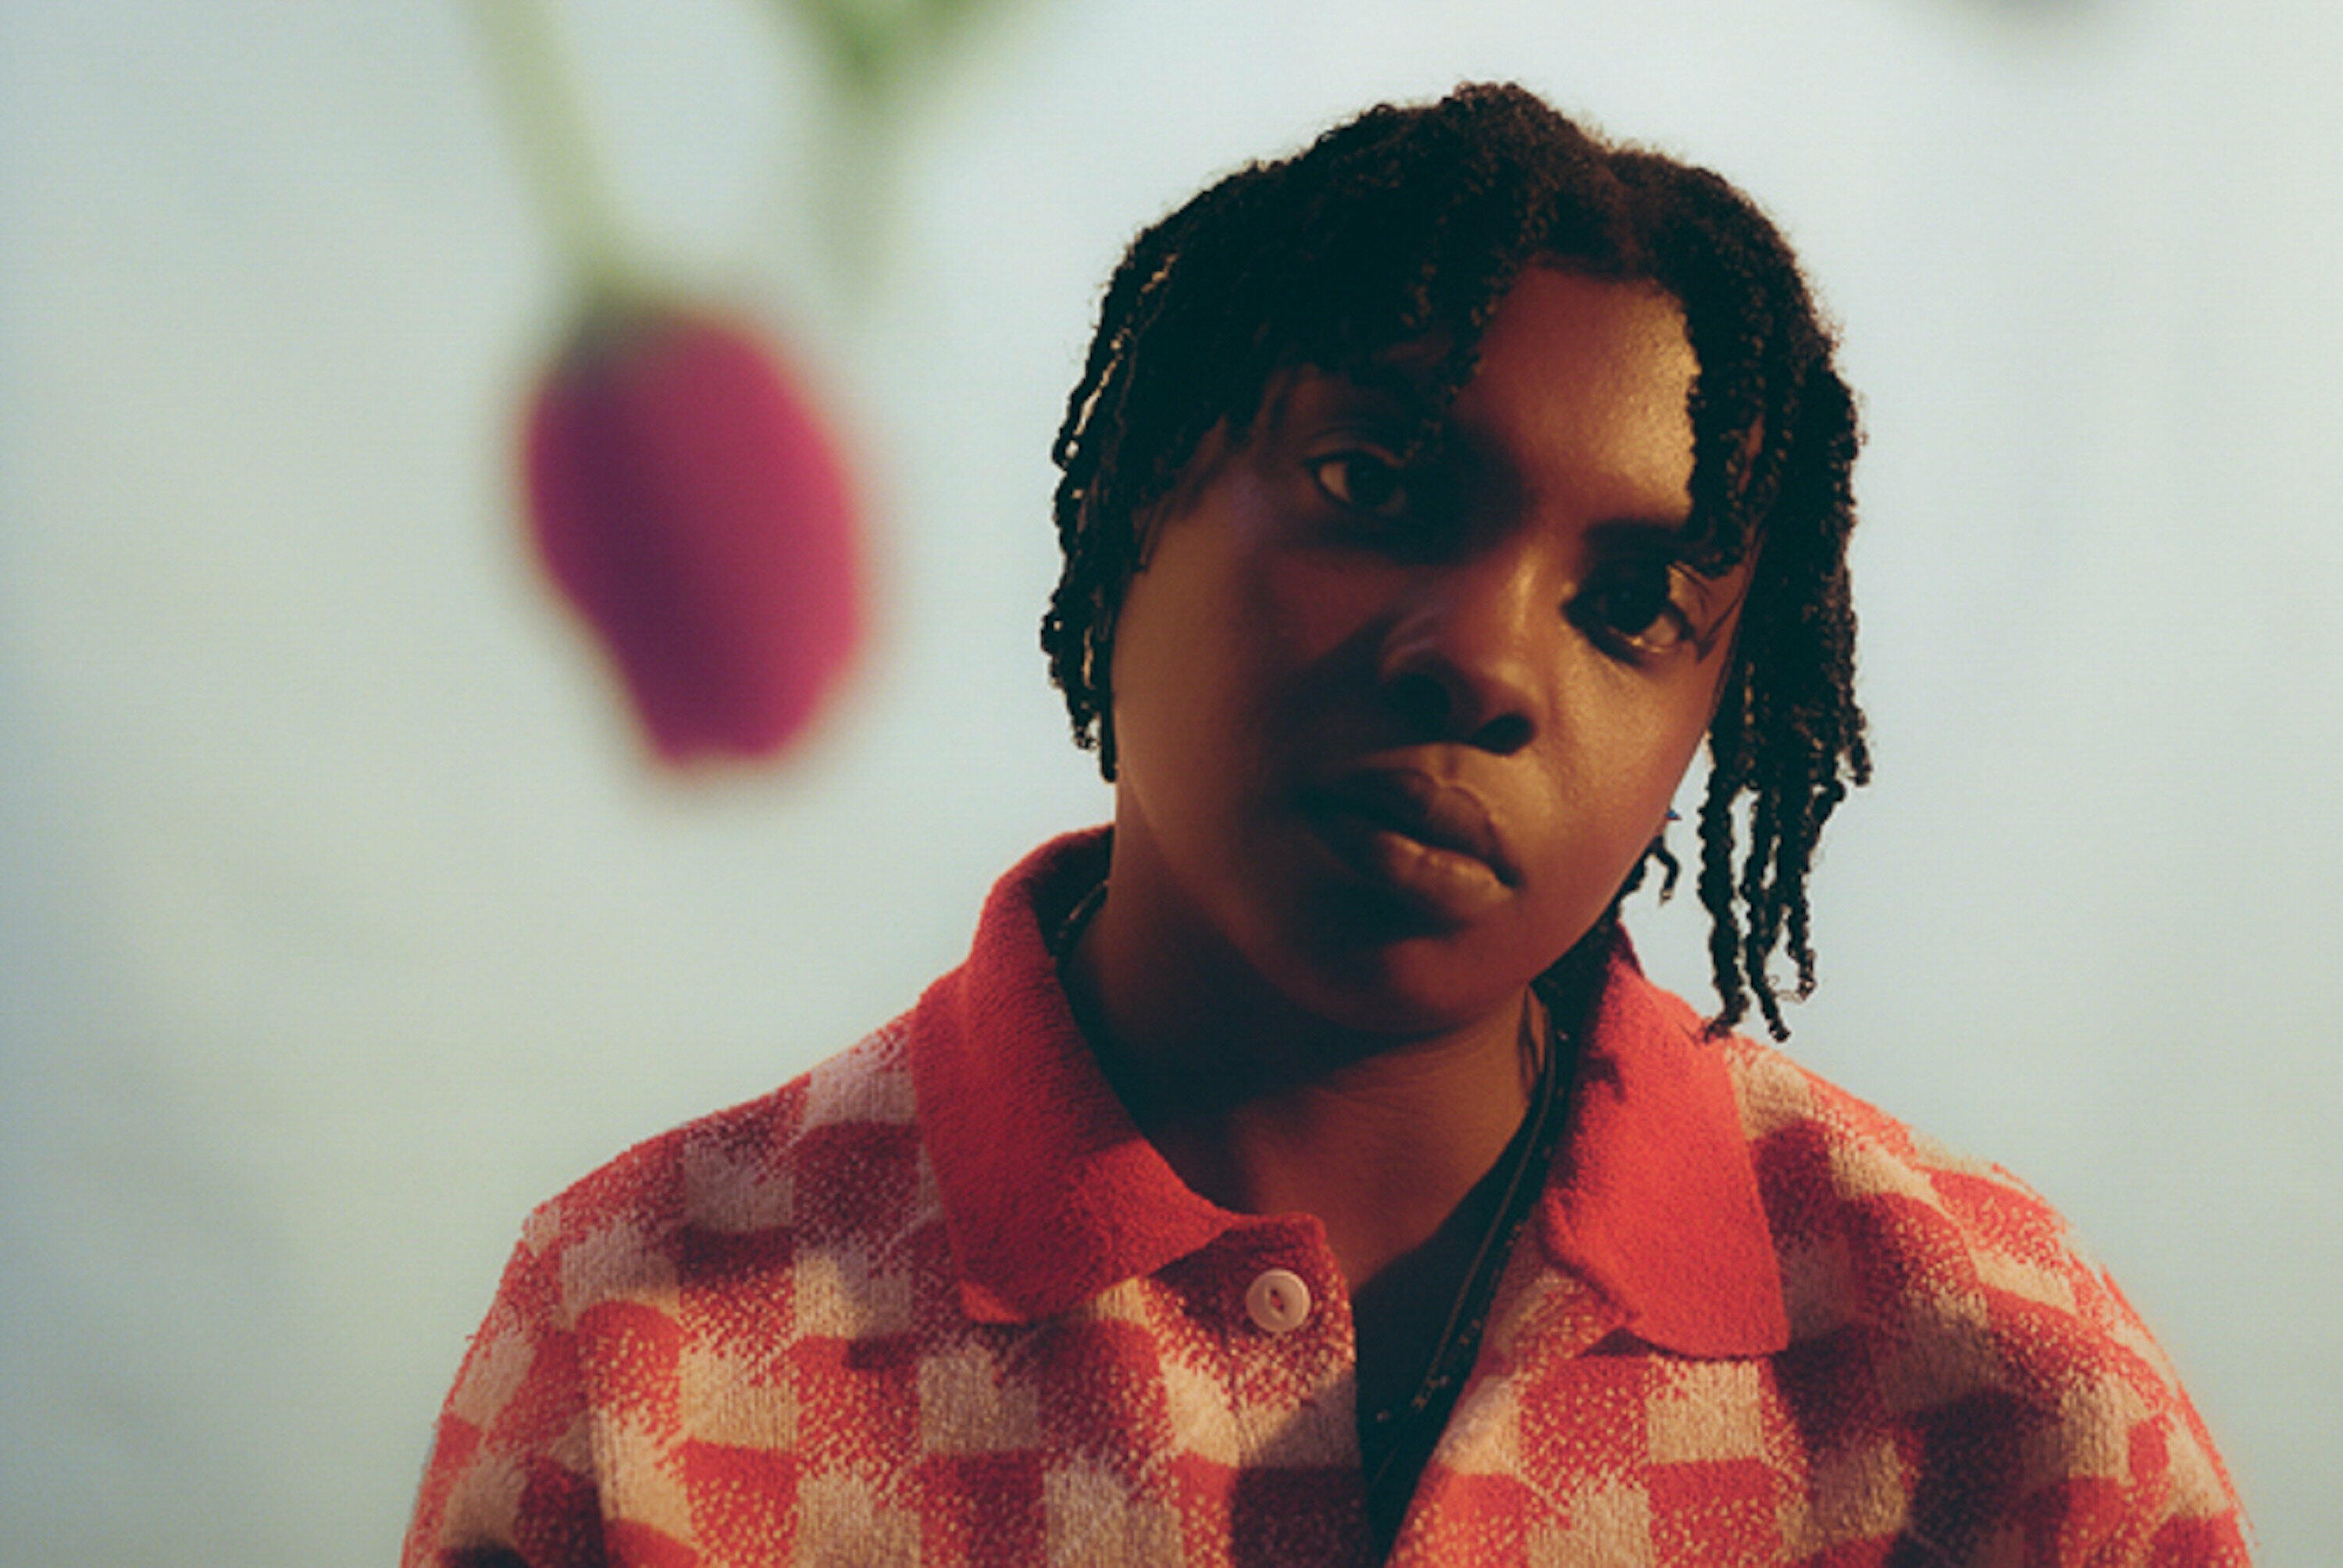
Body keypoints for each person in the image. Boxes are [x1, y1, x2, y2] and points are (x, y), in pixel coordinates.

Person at [404, 85, 2250, 1566]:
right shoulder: (645, 1349)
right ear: (1135, 503)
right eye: (1374, 482)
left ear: (1715, 717)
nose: (1484, 660)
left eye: (1631, 608)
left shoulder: (2009, 1401)